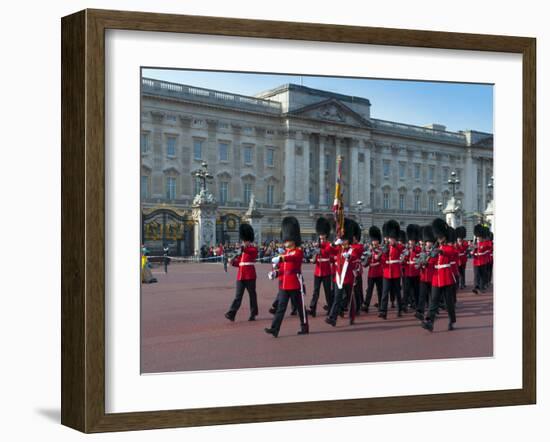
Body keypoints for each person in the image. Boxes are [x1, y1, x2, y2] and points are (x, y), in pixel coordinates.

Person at [265, 217, 309, 337]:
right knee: (281, 308)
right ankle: (275, 329)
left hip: (295, 283)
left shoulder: (298, 252)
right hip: (284, 284)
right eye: (285, 240)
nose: (285, 242)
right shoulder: (284, 253)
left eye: (287, 240)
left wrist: (281, 258)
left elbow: (293, 258)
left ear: (293, 239)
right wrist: (275, 273)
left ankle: (304, 326)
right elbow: (282, 269)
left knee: (300, 307)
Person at [422, 218, 457, 332]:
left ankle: (452, 320)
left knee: (449, 302)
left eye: (441, 237)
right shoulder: (435, 248)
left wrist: (441, 252)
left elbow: (452, 253)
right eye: (438, 237)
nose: (440, 239)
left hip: (446, 277)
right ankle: (430, 321)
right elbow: (432, 261)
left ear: (445, 236)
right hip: (436, 278)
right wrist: (426, 263)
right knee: (434, 301)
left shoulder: (449, 247)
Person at [325, 218, 362, 326]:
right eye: (342, 238)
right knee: (337, 298)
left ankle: (352, 316)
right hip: (339, 278)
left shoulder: (353, 248)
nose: (343, 240)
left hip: (349, 277)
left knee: (351, 299)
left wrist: (349, 256)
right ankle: (332, 318)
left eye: (345, 239)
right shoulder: (339, 248)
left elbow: (355, 254)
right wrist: (333, 244)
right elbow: (328, 251)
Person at [225, 224, 258, 322]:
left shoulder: (252, 249)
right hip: (241, 275)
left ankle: (253, 313)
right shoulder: (242, 251)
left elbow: (250, 252)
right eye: (243, 240)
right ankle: (232, 313)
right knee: (238, 296)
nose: (244, 242)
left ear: (249, 240)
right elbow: (240, 263)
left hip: (250, 275)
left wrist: (242, 249)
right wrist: (232, 262)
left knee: (252, 295)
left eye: (245, 240)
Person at [307, 217, 334, 317]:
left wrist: (319, 248)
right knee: (315, 291)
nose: (321, 238)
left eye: (322, 237)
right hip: (317, 271)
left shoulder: (328, 244)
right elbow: (315, 257)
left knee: (327, 291)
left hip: (326, 271)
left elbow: (327, 252)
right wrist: (313, 256)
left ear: (326, 236)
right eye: (320, 237)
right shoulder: (318, 245)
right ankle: (312, 308)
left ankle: (331, 308)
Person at [378, 220, 405, 319]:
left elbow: (402, 253)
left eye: (393, 238)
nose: (391, 240)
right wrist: (382, 254)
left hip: (396, 273)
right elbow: (381, 260)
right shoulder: (385, 247)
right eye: (390, 238)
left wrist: (395, 246)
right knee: (385, 293)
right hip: (386, 273)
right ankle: (383, 311)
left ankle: (399, 309)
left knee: (398, 292)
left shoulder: (399, 247)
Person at [415, 225, 436, 321]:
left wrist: (427, 263)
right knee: (422, 295)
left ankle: (431, 313)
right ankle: (420, 311)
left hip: (432, 277)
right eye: (427, 242)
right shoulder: (422, 252)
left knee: (432, 297)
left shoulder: (435, 252)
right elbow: (417, 262)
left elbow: (434, 263)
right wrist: (420, 264)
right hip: (423, 277)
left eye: (430, 242)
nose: (428, 244)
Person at [362, 226, 384, 313]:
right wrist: (368, 256)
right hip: (371, 273)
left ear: (378, 241)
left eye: (376, 240)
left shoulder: (381, 250)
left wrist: (378, 256)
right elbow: (365, 264)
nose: (374, 242)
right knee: (369, 290)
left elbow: (383, 261)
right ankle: (366, 304)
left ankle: (380, 305)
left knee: (380, 290)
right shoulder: (369, 250)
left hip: (379, 273)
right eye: (373, 240)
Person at [403, 224, 421, 311]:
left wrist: (412, 249)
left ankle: (417, 304)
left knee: (416, 290)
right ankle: (405, 305)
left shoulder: (418, 249)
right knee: (406, 290)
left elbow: (418, 256)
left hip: (415, 272)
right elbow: (404, 259)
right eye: (410, 240)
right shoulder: (406, 249)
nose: (411, 242)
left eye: (412, 240)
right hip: (407, 272)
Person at [472, 224, 492, 294]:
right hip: (476, 261)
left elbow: (487, 248)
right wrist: (472, 251)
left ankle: (482, 287)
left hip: (483, 261)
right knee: (476, 275)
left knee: (482, 275)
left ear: (482, 237)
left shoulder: (486, 243)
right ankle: (475, 287)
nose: (477, 239)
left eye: (478, 238)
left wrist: (479, 247)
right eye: (477, 238)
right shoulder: (475, 243)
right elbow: (472, 252)